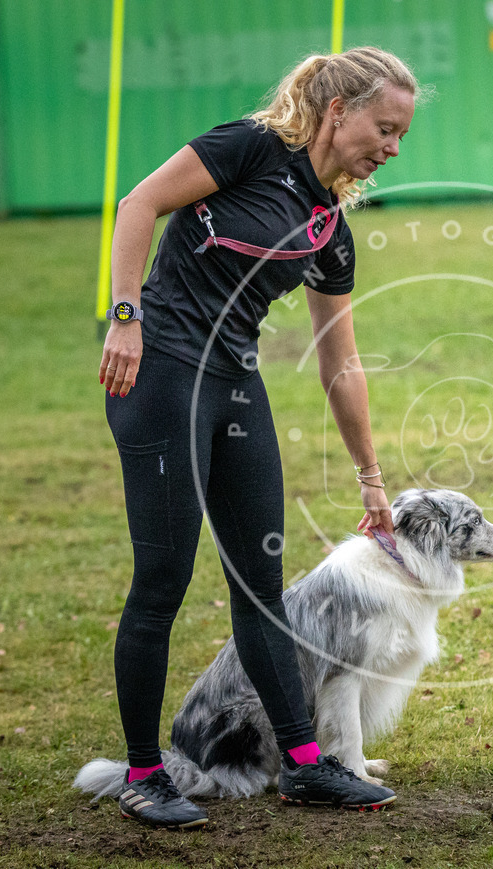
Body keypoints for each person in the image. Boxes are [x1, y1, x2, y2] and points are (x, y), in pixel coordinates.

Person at [97, 47, 418, 830]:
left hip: (235, 380)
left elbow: (342, 363)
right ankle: (143, 771)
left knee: (261, 584)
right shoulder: (247, 148)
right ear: (338, 112)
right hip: (162, 364)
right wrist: (125, 317)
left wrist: (372, 476)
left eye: (403, 134)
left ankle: (307, 765)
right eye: (385, 127)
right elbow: (139, 205)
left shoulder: (329, 227)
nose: (393, 147)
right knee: (163, 578)